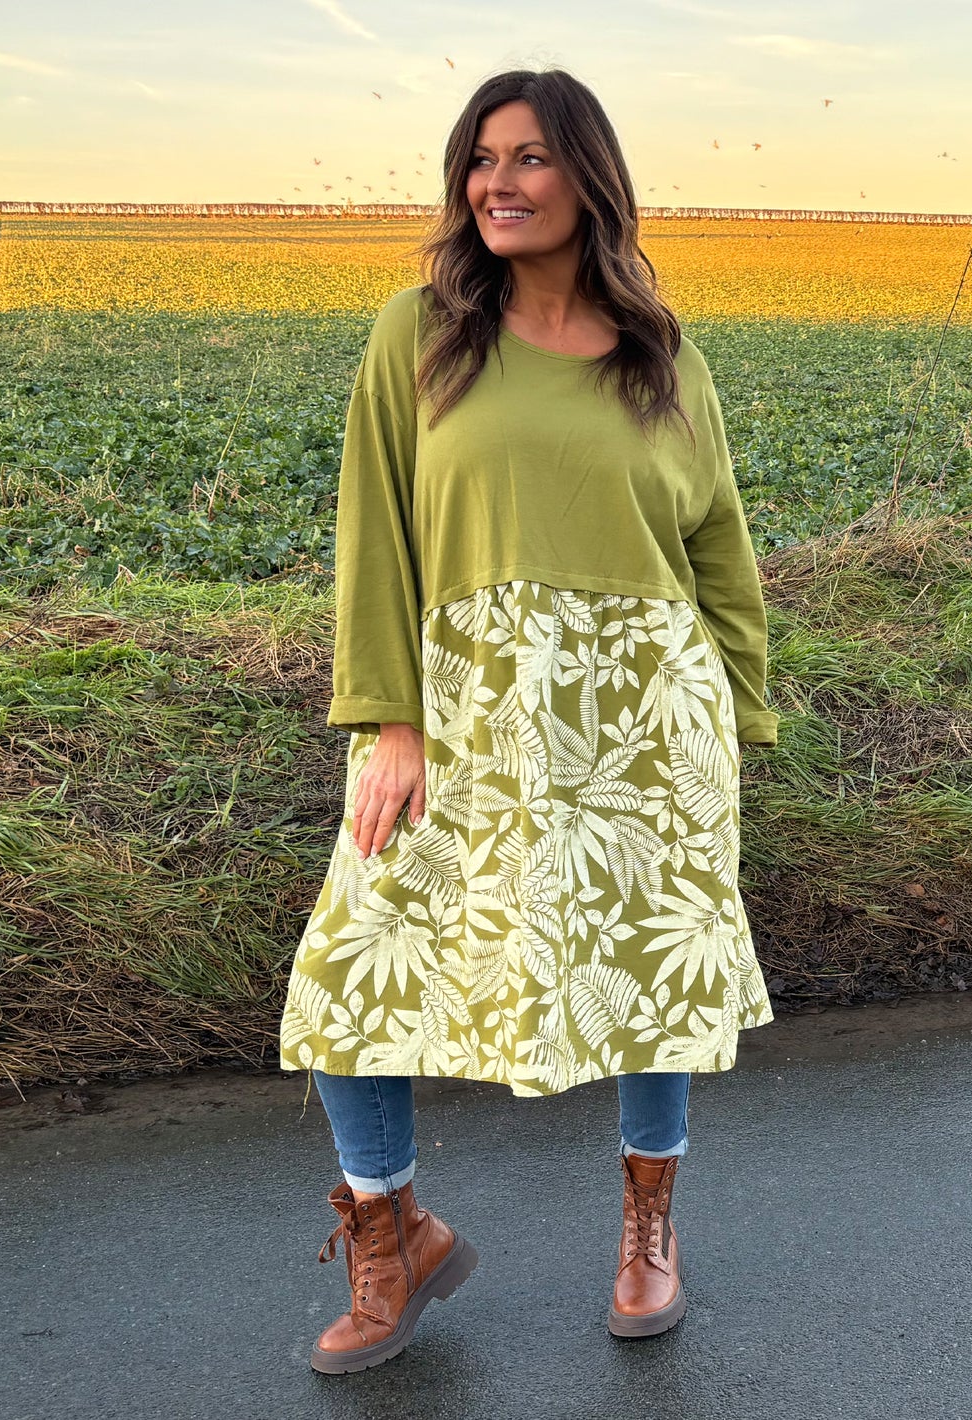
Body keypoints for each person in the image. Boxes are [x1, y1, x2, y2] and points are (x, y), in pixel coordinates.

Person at [277, 66, 779, 1375]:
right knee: (355, 967)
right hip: (461, 711)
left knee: (650, 976)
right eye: (481, 158)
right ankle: (393, 1233)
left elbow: (718, 549)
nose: (497, 183)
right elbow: (374, 534)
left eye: (531, 157)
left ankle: (648, 1226)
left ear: (590, 178)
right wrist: (389, 723)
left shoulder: (664, 357)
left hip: (648, 715)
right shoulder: (421, 334)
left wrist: (734, 720)